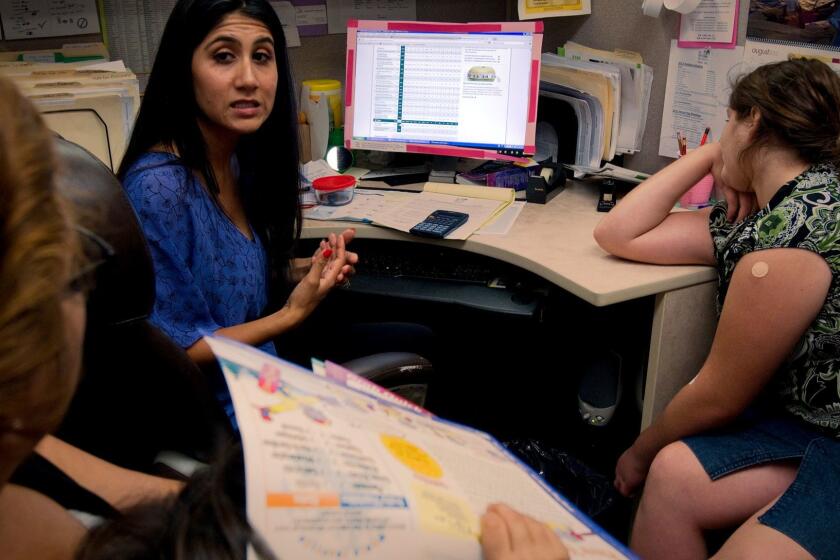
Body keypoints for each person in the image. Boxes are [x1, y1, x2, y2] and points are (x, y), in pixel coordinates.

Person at [594, 58, 840, 559]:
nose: (722, 133)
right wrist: (712, 154)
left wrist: (638, 453)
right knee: (674, 478)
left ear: (752, 122)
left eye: (726, 121)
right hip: (806, 424)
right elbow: (617, 233)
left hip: (831, 439)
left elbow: (719, 396)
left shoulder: (791, 237)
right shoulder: (770, 212)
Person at [0, 76, 182, 559]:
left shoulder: (18, 444)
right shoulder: (26, 530)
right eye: (77, 269)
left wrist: (226, 503)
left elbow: (144, 493)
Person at [118, 0, 357, 366]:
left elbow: (222, 279)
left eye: (261, 56)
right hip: (226, 409)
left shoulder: (234, 158)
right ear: (185, 69)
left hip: (262, 373)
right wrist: (291, 313)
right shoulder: (161, 190)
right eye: (224, 56)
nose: (249, 78)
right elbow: (179, 351)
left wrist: (308, 270)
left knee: (418, 336)